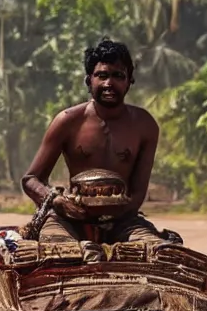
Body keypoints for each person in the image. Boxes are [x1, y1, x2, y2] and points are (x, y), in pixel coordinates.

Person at [21, 38, 165, 244]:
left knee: (160, 252)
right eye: (102, 76)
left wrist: (114, 214)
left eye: (118, 76)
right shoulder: (68, 120)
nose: (109, 83)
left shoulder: (145, 125)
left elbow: (138, 192)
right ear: (89, 81)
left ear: (129, 81)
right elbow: (31, 179)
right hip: (68, 219)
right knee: (57, 249)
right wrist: (57, 201)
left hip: (124, 222)